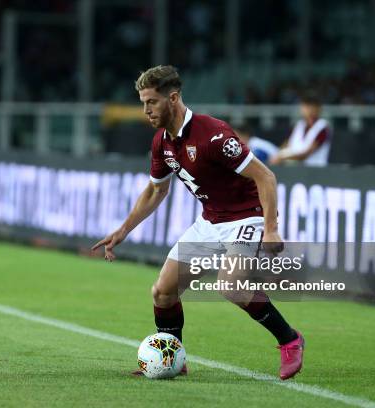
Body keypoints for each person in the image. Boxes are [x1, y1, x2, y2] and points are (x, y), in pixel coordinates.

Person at [92, 65, 304, 380]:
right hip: (210, 221)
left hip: (246, 216)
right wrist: (123, 230)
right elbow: (155, 190)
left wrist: (271, 228)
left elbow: (266, 176)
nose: (146, 110)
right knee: (163, 291)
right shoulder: (161, 142)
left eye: (151, 102)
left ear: (173, 98)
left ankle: (289, 339)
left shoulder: (213, 135)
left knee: (230, 285)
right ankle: (173, 356)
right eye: (143, 103)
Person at [269, 95, 331, 166]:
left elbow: (305, 154)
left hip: (316, 170)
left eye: (312, 106)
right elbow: (288, 145)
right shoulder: (299, 125)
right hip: (296, 170)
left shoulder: (322, 127)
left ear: (319, 108)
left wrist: (282, 157)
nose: (309, 110)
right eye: (306, 106)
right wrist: (278, 155)